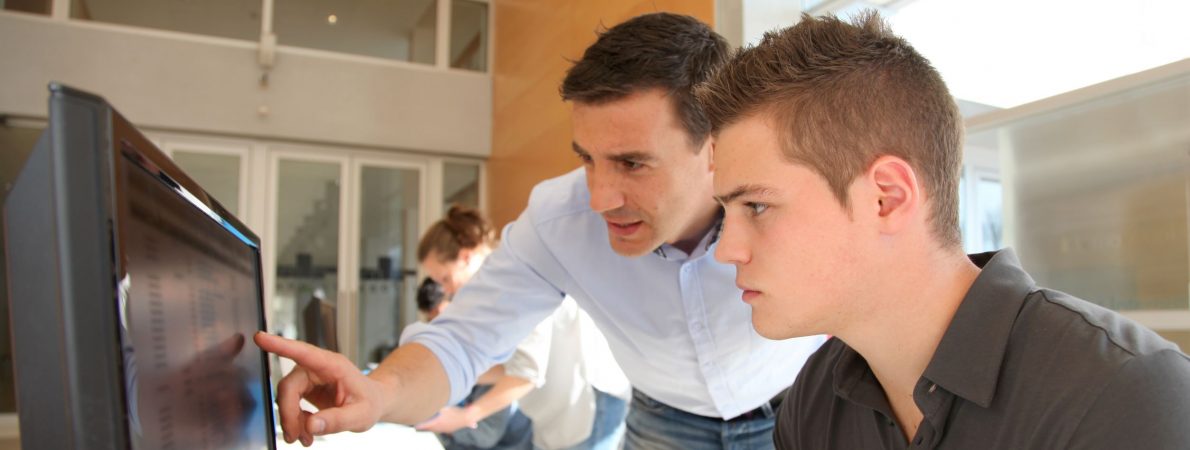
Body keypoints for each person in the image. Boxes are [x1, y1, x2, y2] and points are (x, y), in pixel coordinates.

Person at [254, 12, 826, 449]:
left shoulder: (794, 196)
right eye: (587, 158)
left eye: (632, 163)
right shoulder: (558, 220)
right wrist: (379, 392)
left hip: (809, 406)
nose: (600, 198)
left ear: (714, 147)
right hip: (664, 423)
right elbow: (463, 339)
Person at [698, 11, 1190, 449]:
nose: (726, 251)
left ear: (886, 199)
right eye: (727, 211)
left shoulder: (1122, 393)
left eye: (757, 206)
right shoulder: (815, 398)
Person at [414, 206, 631, 450]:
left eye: (446, 279)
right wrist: (447, 377)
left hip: (588, 400)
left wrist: (465, 416)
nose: (448, 291)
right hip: (557, 407)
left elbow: (526, 373)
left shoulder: (512, 279)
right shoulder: (492, 291)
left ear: (465, 257)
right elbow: (509, 365)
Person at [415, 277, 534, 450]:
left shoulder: (489, 350)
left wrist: (445, 424)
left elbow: (486, 434)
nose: (438, 328)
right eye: (431, 321)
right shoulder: (456, 354)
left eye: (440, 316)